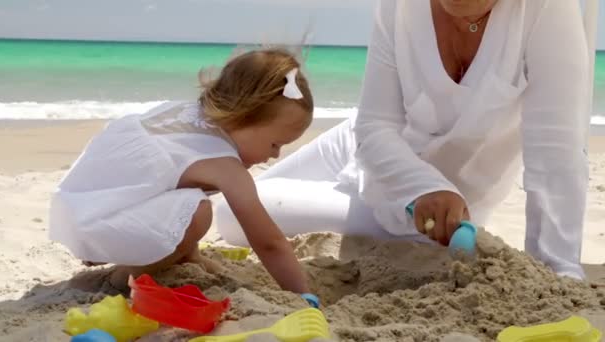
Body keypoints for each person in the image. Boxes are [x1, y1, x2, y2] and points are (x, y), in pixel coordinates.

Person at [215, 0, 591, 280]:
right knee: (239, 199)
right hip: (360, 147)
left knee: (231, 214)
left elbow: (556, 153)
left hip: (437, 213)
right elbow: (375, 124)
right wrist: (421, 183)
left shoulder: (547, 10)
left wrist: (559, 270)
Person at [49, 48, 320, 303]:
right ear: (242, 117)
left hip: (83, 208)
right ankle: (128, 275)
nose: (276, 156)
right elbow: (269, 243)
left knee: (186, 192)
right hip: (101, 224)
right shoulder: (226, 167)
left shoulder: (181, 114)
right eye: (275, 144)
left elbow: (146, 177)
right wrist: (302, 296)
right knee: (198, 212)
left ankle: (184, 255)